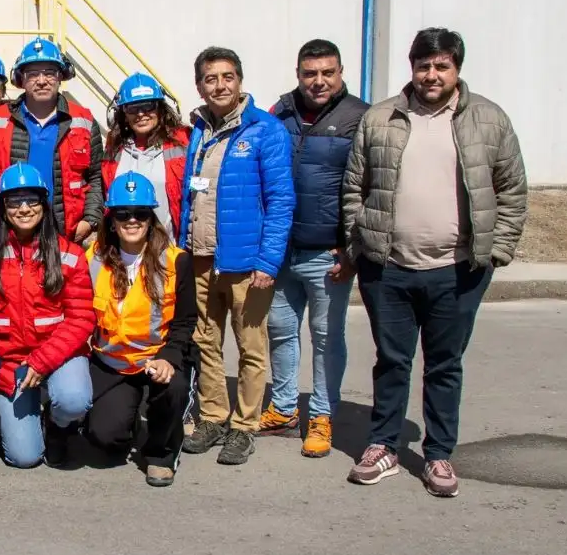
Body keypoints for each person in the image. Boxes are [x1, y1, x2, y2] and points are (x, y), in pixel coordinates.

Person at [343, 28, 527, 497]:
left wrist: (497, 250)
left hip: (458, 270)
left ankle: (439, 454)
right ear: (412, 67)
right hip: (389, 268)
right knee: (392, 361)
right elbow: (354, 187)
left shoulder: (488, 119)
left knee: (444, 365)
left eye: (441, 66)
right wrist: (359, 242)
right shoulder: (382, 117)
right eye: (423, 65)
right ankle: (382, 445)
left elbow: (511, 190)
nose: (431, 75)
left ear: (456, 69)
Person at [177, 46, 293, 467]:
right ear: (200, 86)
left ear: (240, 81)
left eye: (227, 77)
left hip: (246, 263)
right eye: (211, 79)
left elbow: (281, 200)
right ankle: (212, 417)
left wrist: (268, 261)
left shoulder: (265, 130)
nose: (220, 85)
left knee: (250, 347)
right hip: (202, 257)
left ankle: (244, 427)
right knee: (205, 341)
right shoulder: (198, 131)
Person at [261, 39, 369, 457]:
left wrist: (350, 246)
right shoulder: (281, 111)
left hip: (328, 252)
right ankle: (285, 408)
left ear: (341, 73)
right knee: (281, 331)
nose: (318, 81)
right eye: (310, 73)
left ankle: (322, 415)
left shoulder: (359, 117)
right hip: (282, 249)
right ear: (298, 74)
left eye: (328, 72)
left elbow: (366, 187)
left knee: (326, 338)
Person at [0, 163, 95, 468]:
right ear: (2, 208)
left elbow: (82, 319)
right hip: (8, 363)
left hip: (56, 356)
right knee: (24, 458)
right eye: (14, 201)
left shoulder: (69, 253)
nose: (24, 208)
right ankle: (20, 417)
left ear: (44, 204)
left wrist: (42, 362)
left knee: (73, 400)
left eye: (32, 199)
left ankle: (59, 427)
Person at [86, 173, 198, 487]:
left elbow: (186, 321)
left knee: (173, 387)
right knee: (103, 439)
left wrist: (169, 358)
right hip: (112, 361)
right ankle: (129, 417)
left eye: (140, 214)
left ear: (151, 219)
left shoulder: (177, 262)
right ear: (111, 220)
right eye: (122, 214)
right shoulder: (93, 259)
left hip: (155, 358)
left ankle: (161, 453)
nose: (131, 220)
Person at [0, 37, 104, 245]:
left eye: (49, 73)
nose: (42, 80)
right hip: (10, 236)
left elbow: (96, 178)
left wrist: (90, 220)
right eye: (33, 74)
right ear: (21, 79)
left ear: (60, 77)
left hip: (67, 236)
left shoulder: (84, 121)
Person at [101, 73, 189, 234]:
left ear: (160, 108)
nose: (141, 114)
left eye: (148, 105)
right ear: (124, 113)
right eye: (132, 108)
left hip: (169, 248)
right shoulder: (114, 147)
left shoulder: (183, 142)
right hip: (125, 248)